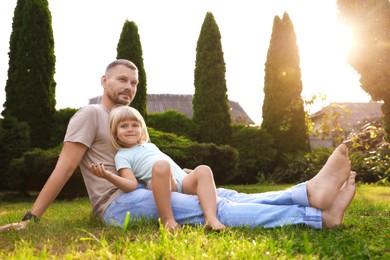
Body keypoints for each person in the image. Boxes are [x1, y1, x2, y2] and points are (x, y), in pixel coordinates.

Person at [0, 59, 356, 232]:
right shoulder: (90, 115)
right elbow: (64, 168)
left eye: (134, 83)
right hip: (117, 203)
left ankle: (308, 192)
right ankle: (317, 216)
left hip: (150, 187)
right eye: (121, 80)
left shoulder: (130, 122)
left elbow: (146, 158)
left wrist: (176, 171)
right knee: (208, 211)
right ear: (104, 80)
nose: (128, 87)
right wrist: (32, 218)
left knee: (223, 195)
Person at [90, 105, 225, 231]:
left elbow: (169, 163)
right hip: (163, 186)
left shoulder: (150, 146)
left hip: (183, 182)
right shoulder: (122, 155)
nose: (130, 129)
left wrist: (182, 171)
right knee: (161, 165)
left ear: (142, 129)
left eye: (135, 125)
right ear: (115, 132)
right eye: (124, 126)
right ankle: (168, 219)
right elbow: (131, 185)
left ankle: (211, 218)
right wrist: (108, 175)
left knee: (203, 169)